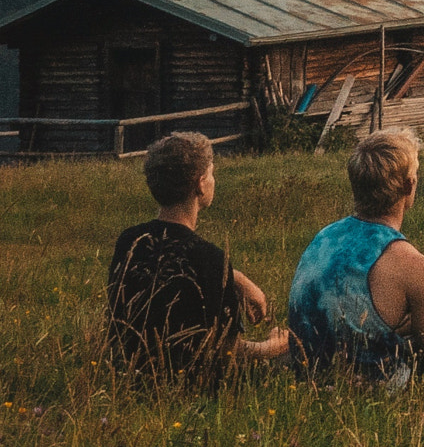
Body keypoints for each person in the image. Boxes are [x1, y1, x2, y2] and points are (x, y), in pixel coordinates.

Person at [288, 128, 424, 386]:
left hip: (309, 379)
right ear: (409, 185)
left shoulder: (323, 238)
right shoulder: (414, 267)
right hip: (372, 393)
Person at [107, 129, 289, 379]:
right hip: (187, 385)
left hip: (128, 375)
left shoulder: (130, 241)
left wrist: (236, 277)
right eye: (212, 174)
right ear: (200, 184)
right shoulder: (210, 259)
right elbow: (225, 350)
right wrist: (270, 348)